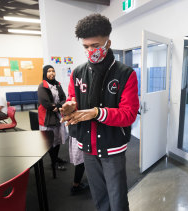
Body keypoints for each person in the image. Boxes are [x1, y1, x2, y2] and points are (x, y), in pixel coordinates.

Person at [60, 14, 139, 211]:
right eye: (85, 47)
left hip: (112, 147)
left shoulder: (125, 74)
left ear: (108, 42)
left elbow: (129, 114)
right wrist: (70, 106)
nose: (90, 51)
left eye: (95, 45)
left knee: (117, 199)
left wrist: (97, 113)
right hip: (87, 146)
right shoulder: (78, 73)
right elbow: (72, 98)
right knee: (99, 198)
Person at [38, 65, 68, 178]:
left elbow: (64, 97)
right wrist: (55, 107)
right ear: (45, 73)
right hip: (48, 117)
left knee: (58, 138)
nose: (52, 73)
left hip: (58, 114)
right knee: (51, 141)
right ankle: (53, 162)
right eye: (49, 71)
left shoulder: (58, 84)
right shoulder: (42, 86)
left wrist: (59, 106)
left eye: (53, 71)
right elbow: (45, 102)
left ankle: (56, 158)